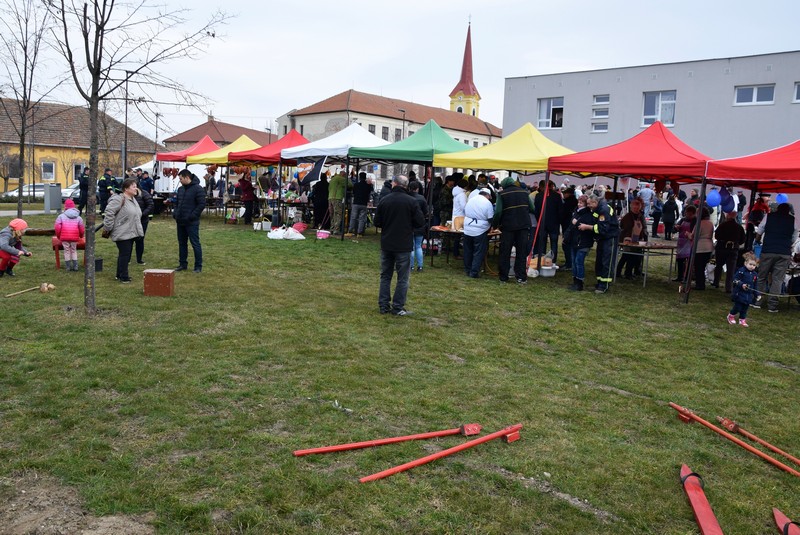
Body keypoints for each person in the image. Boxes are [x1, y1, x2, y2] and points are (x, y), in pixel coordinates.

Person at [374, 175, 424, 316]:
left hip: (387, 243)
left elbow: (377, 222)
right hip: (403, 244)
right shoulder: (411, 201)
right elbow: (420, 222)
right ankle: (397, 307)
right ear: (406, 185)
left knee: (385, 276)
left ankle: (384, 305)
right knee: (402, 278)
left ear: (394, 184)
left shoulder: (385, 200)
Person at [753, 202, 797, 312]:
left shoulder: (768, 216)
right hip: (784, 252)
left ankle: (758, 301)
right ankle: (772, 305)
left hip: (768, 250)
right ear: (788, 211)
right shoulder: (793, 220)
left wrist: (757, 240)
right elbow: (794, 237)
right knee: (777, 279)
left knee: (762, 276)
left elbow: (760, 230)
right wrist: (786, 244)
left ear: (777, 209)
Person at [494, 177, 535, 284]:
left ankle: (503, 277)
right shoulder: (525, 192)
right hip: (523, 226)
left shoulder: (502, 194)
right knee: (521, 252)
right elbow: (532, 208)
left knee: (505, 252)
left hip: (508, 226)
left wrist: (495, 225)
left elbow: (498, 212)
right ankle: (521, 277)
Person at [103, 178, 143, 284]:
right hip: (121, 231)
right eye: (133, 187)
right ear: (126, 189)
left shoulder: (133, 199)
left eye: (136, 186)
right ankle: (124, 276)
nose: (136, 188)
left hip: (130, 231)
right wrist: (108, 228)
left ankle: (119, 274)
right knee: (125, 254)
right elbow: (109, 213)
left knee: (125, 253)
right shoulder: (118, 199)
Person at [578, 193, 619, 293]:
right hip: (602, 238)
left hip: (610, 238)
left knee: (607, 261)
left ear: (595, 202)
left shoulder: (604, 210)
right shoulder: (597, 209)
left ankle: (604, 285)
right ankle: (600, 282)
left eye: (589, 204)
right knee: (599, 261)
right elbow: (595, 221)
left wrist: (587, 227)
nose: (588, 206)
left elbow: (602, 228)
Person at [173, 169, 206, 273]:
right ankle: (182, 264)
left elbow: (201, 204)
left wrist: (192, 216)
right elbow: (177, 203)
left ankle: (198, 266)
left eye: (181, 179)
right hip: (180, 221)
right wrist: (175, 213)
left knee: (195, 243)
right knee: (182, 243)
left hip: (192, 222)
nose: (180, 181)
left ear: (187, 177)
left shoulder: (198, 189)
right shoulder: (180, 189)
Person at [462, 188, 494, 278]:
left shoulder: (471, 200)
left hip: (468, 228)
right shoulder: (487, 203)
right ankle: (474, 272)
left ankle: (468, 269)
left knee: (467, 250)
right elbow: (490, 218)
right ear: (488, 195)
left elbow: (465, 211)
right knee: (478, 252)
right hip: (480, 230)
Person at [712, 211, 745, 292]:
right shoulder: (739, 227)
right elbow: (743, 239)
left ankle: (716, 282)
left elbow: (716, 236)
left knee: (719, 265)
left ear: (727, 216)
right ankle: (729, 287)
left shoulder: (722, 225)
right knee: (731, 269)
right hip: (733, 249)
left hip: (721, 247)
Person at [567, 194, 594, 291]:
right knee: (574, 262)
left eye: (581, 203)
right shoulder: (576, 212)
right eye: (578, 202)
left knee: (579, 262)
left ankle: (579, 282)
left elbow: (582, 225)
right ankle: (575, 280)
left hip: (583, 242)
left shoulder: (588, 215)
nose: (579, 204)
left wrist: (576, 223)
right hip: (575, 241)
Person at [616, 198, 647, 280]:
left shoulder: (640, 216)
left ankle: (628, 272)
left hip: (637, 239)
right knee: (626, 256)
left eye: (638, 207)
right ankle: (621, 272)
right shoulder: (627, 217)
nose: (636, 209)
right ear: (631, 207)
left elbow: (642, 228)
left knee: (633, 257)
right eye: (635, 207)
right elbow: (624, 228)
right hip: (627, 239)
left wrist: (643, 237)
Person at [532, 180, 562, 265]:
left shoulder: (538, 195)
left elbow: (536, 211)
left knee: (542, 243)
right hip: (554, 223)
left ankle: (542, 261)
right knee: (554, 243)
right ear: (551, 186)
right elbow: (560, 211)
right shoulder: (557, 196)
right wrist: (559, 221)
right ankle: (553, 261)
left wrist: (539, 220)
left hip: (543, 222)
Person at [728, 253, 758, 327]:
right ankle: (731, 315)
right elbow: (735, 280)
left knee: (745, 309)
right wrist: (742, 284)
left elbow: (755, 285)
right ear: (745, 263)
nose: (752, 266)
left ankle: (742, 319)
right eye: (750, 264)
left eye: (754, 265)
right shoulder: (741, 271)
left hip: (748, 295)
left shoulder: (755, 274)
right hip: (739, 293)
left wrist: (757, 294)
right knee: (738, 307)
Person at [54, 199, 85, 272]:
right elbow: (82, 229)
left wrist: (58, 236)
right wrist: (81, 236)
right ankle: (75, 266)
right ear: (73, 207)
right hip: (74, 237)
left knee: (66, 251)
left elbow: (57, 228)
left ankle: (68, 267)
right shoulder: (79, 217)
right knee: (74, 250)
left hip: (64, 237)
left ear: (65, 207)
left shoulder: (60, 216)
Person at [688, 207, 714, 290]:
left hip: (700, 247)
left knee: (698, 267)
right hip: (709, 246)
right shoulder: (710, 223)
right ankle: (700, 283)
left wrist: (688, 234)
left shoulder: (699, 224)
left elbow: (694, 236)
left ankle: (700, 284)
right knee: (702, 266)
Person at [408, 180, 429, 272]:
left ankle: (411, 266)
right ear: (417, 189)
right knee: (418, 246)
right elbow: (426, 212)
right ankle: (420, 266)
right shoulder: (422, 198)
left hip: (409, 225)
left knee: (411, 247)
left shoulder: (407, 198)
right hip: (420, 225)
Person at [674, 205, 697, 282]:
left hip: (690, 242)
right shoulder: (683, 219)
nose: (688, 216)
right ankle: (679, 276)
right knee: (680, 260)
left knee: (688, 261)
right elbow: (674, 229)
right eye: (687, 214)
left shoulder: (695, 221)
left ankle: (687, 277)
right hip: (681, 242)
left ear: (694, 214)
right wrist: (676, 227)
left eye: (690, 214)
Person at [346, 172, 372, 237]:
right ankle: (359, 233)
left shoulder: (356, 185)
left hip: (356, 203)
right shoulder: (368, 186)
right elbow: (369, 192)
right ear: (365, 178)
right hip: (364, 204)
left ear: (359, 177)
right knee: (362, 219)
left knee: (353, 217)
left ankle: (350, 231)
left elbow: (353, 192)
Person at [133, 185, 154, 265]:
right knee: (128, 240)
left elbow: (150, 205)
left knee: (140, 239)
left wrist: (142, 214)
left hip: (142, 220)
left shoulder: (144, 194)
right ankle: (127, 258)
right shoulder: (127, 195)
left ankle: (139, 259)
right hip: (130, 220)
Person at [560, 186, 578, 269]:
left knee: (566, 244)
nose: (563, 194)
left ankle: (569, 263)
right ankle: (570, 262)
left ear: (569, 194)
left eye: (565, 193)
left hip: (568, 226)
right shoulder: (574, 202)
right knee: (569, 245)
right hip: (571, 226)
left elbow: (563, 214)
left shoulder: (568, 203)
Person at [328, 170, 350, 235]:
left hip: (330, 197)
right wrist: (347, 179)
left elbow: (329, 188)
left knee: (332, 214)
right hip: (337, 198)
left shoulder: (332, 179)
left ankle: (332, 228)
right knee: (338, 214)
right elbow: (350, 185)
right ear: (343, 175)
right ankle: (336, 230)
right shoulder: (341, 179)